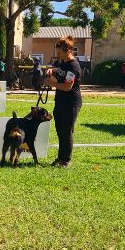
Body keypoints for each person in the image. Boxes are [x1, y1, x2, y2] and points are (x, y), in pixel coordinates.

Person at [43, 36, 82, 168]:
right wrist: (50, 70)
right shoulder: (62, 63)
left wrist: (51, 83)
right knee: (60, 131)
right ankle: (60, 157)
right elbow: (58, 70)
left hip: (71, 102)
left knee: (66, 131)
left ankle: (65, 160)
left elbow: (67, 86)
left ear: (68, 51)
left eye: (59, 53)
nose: (57, 55)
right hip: (60, 101)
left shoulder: (73, 66)